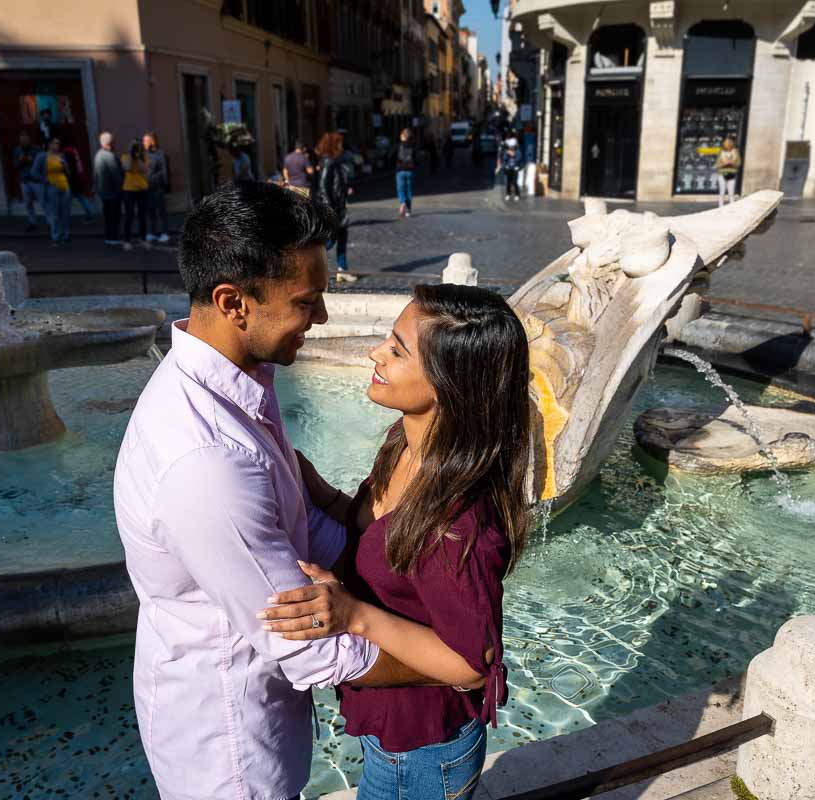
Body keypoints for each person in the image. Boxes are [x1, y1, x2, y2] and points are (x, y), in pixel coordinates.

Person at [113, 181, 449, 800]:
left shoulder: (238, 376)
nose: (320, 317)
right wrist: (446, 671)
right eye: (306, 301)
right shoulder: (207, 461)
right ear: (233, 301)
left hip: (253, 715)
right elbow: (310, 652)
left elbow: (301, 532)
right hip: (232, 754)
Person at [259, 282, 531, 800]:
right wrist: (313, 488)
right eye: (388, 338)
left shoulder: (457, 524)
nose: (374, 353)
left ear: (451, 383)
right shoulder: (404, 446)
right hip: (399, 736)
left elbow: (472, 666)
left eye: (397, 349)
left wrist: (353, 616)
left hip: (425, 753)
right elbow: (373, 528)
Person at [314, 132, 356, 283]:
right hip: (333, 207)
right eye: (340, 144)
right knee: (329, 240)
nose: (342, 147)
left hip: (339, 205)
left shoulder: (335, 161)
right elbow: (324, 187)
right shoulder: (328, 162)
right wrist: (330, 209)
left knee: (343, 237)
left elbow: (336, 183)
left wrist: (345, 189)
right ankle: (312, 266)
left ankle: (343, 269)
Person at [32, 137, 72, 244]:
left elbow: (68, 173)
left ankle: (66, 234)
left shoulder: (61, 155)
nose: (57, 145)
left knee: (66, 212)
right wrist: (45, 180)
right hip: (51, 187)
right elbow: (34, 172)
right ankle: (56, 236)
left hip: (64, 186)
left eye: (58, 143)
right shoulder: (42, 156)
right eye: (55, 143)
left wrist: (64, 165)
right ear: (49, 144)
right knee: (54, 213)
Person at [93, 131, 124, 246]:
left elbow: (95, 174)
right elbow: (116, 174)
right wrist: (122, 187)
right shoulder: (109, 156)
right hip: (113, 191)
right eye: (113, 141)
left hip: (103, 192)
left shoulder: (98, 155)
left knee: (108, 216)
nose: (115, 143)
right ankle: (114, 237)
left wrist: (96, 188)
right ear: (109, 143)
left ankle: (109, 237)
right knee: (114, 215)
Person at [120, 140, 150, 248]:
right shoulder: (125, 157)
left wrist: (138, 157)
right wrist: (131, 155)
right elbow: (127, 167)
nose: (136, 149)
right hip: (129, 189)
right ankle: (127, 241)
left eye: (138, 147)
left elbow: (144, 169)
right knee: (129, 215)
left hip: (142, 189)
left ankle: (143, 238)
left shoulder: (144, 157)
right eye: (135, 147)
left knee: (142, 215)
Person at [12, 131, 43, 232]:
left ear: (29, 139)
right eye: (22, 138)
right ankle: (32, 222)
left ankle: (52, 221)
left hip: (36, 180)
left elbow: (42, 164)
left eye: (25, 138)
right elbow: (15, 166)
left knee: (43, 201)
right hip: (24, 181)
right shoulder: (17, 150)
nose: (24, 140)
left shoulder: (37, 149)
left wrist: (32, 160)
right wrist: (21, 161)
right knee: (28, 203)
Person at [143, 132, 170, 242]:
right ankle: (151, 232)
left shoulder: (160, 154)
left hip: (158, 188)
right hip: (146, 188)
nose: (144, 143)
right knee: (150, 211)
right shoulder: (144, 155)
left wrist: (166, 186)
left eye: (146, 141)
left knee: (161, 211)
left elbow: (165, 172)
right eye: (143, 141)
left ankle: (164, 233)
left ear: (152, 141)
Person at [61, 143, 95, 225]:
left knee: (68, 200)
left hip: (73, 180)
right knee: (81, 198)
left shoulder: (67, 153)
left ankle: (90, 215)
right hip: (78, 178)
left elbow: (69, 168)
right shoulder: (73, 150)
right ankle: (90, 214)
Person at [715, 137, 742, 208]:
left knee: (731, 193)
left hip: (732, 174)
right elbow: (717, 165)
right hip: (722, 174)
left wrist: (732, 163)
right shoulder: (721, 153)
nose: (728, 146)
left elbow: (739, 163)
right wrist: (725, 164)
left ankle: (732, 208)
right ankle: (720, 207)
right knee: (722, 192)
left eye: (729, 144)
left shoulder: (735, 152)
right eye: (727, 144)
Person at [395, 128, 416, 218]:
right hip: (410, 171)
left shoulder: (398, 145)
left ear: (403, 136)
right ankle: (408, 211)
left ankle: (402, 203)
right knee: (409, 191)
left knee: (401, 189)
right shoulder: (413, 146)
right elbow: (416, 158)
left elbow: (392, 155)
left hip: (400, 170)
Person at [498, 137, 524, 202]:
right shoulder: (507, 151)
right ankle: (508, 194)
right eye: (510, 146)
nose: (511, 148)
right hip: (508, 168)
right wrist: (504, 166)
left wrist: (513, 155)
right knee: (508, 182)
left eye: (512, 146)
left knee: (515, 182)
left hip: (515, 168)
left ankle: (517, 194)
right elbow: (504, 159)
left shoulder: (518, 151)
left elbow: (519, 158)